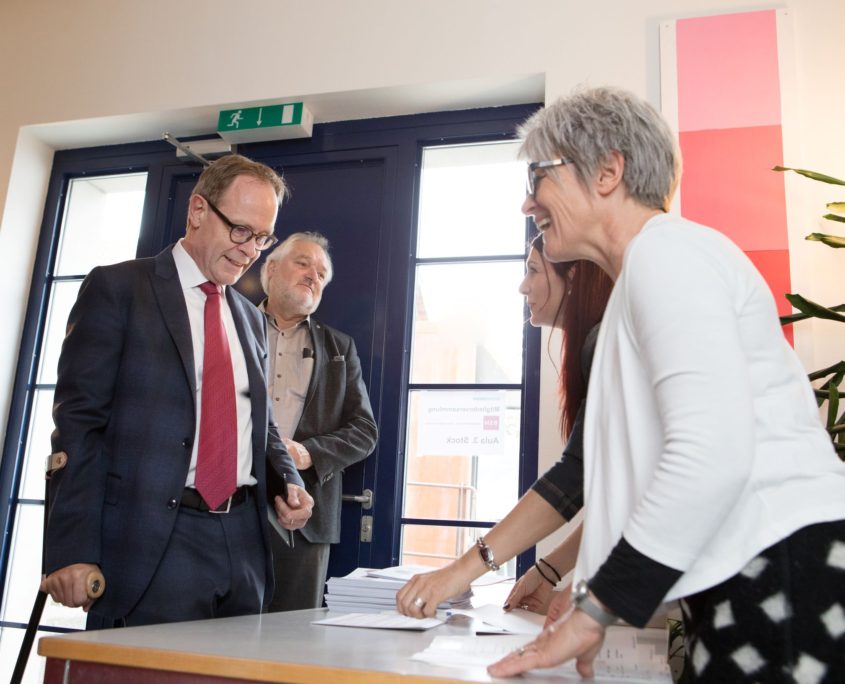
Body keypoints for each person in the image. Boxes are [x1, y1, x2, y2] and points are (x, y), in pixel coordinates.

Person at [488, 87, 845, 682]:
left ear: (608, 172)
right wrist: (592, 593)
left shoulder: (666, 253)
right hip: (761, 570)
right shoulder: (648, 270)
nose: (529, 202)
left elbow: (710, 451)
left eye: (539, 176)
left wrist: (596, 609)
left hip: (783, 568)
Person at [41, 154, 314, 628]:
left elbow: (260, 423)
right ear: (198, 210)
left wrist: (288, 480)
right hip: (151, 543)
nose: (250, 250)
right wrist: (72, 548)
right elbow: (79, 425)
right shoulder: (119, 289)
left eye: (262, 238)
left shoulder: (250, 319)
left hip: (243, 544)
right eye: (240, 230)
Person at [396, 237, 612, 621]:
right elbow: (611, 497)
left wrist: (459, 573)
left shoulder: (604, 341)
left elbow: (575, 477)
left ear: (572, 278)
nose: (523, 286)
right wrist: (548, 571)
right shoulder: (602, 338)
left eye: (533, 270)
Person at [258, 232, 378, 611]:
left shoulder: (340, 348)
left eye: (322, 274)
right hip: (224, 510)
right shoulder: (229, 327)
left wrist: (307, 453)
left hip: (305, 520)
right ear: (271, 269)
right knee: (214, 634)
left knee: (291, 637)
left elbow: (365, 431)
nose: (314, 276)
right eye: (303, 264)